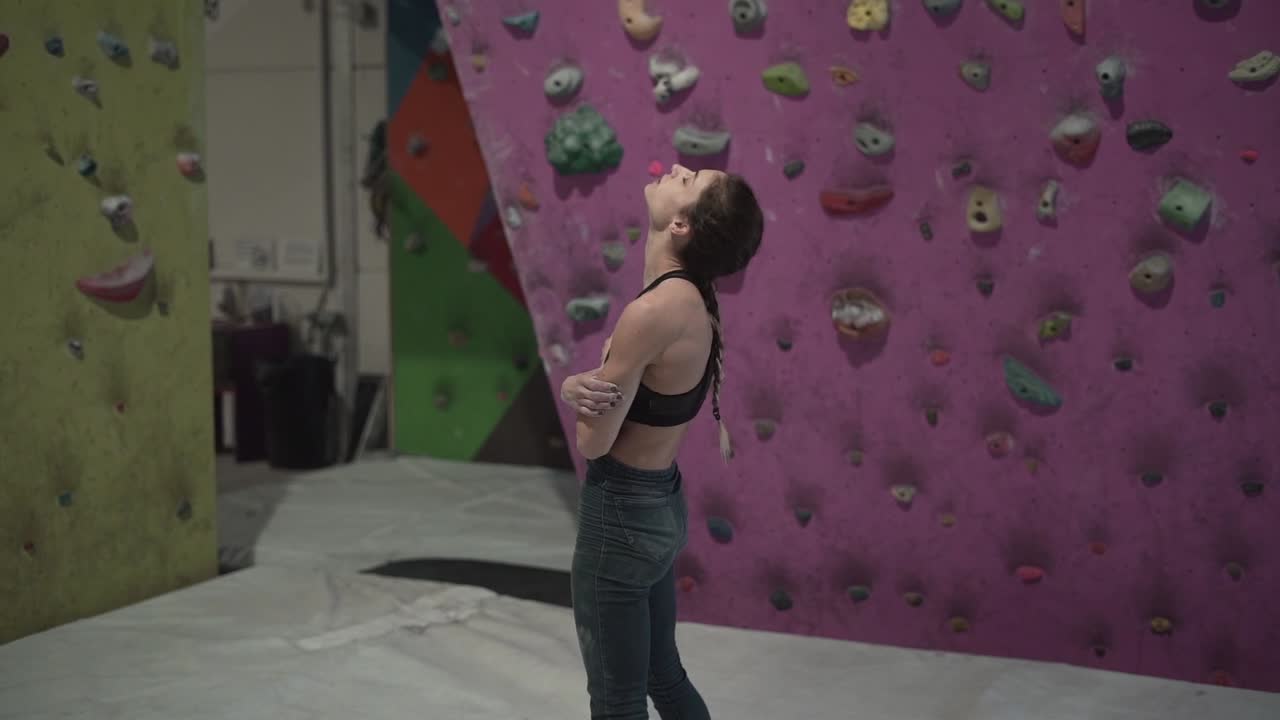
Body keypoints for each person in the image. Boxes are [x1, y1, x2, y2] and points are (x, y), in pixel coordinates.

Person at [558, 163, 764, 719]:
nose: (675, 168)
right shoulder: (692, 302)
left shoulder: (649, 313)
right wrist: (586, 384)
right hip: (660, 504)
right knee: (661, 676)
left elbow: (593, 443)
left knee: (618, 698)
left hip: (622, 511)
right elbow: (635, 400)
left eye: (688, 179)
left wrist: (577, 391)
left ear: (680, 226)